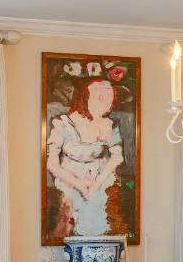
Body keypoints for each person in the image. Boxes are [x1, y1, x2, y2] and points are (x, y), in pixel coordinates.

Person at [46, 78, 125, 237]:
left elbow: (117, 158)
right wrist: (81, 186)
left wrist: (95, 185)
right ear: (84, 97)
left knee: (103, 212)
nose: (107, 102)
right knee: (70, 213)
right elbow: (52, 165)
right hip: (69, 183)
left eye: (109, 97)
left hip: (100, 182)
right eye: (100, 97)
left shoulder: (109, 125)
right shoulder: (63, 124)